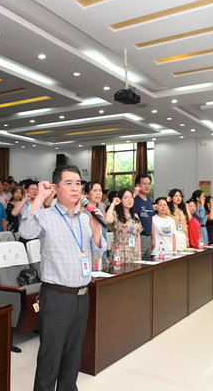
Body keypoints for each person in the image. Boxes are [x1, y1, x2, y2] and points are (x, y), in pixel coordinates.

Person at [19, 165, 105, 391]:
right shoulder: (46, 215)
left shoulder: (86, 218)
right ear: (55, 188)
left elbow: (96, 255)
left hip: (82, 295)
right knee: (51, 357)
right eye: (69, 183)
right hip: (57, 296)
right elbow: (26, 232)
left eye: (78, 183)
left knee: (73, 356)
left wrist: (97, 230)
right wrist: (40, 197)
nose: (75, 188)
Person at [106, 189, 143, 264]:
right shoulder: (116, 214)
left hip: (133, 251)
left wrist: (139, 254)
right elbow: (107, 220)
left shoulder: (135, 216)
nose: (129, 200)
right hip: (119, 252)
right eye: (126, 198)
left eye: (131, 197)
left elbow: (137, 236)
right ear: (120, 200)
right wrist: (113, 204)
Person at [81, 181, 108, 270]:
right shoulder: (81, 212)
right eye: (95, 190)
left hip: (100, 253)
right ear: (87, 194)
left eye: (100, 190)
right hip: (88, 253)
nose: (98, 193)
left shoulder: (99, 211)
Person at [133, 174, 154, 260]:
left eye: (149, 184)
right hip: (138, 237)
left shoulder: (149, 200)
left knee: (147, 263)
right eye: (144, 183)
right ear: (138, 185)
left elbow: (151, 220)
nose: (147, 186)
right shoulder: (134, 200)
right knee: (138, 262)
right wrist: (134, 194)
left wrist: (153, 239)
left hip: (149, 237)